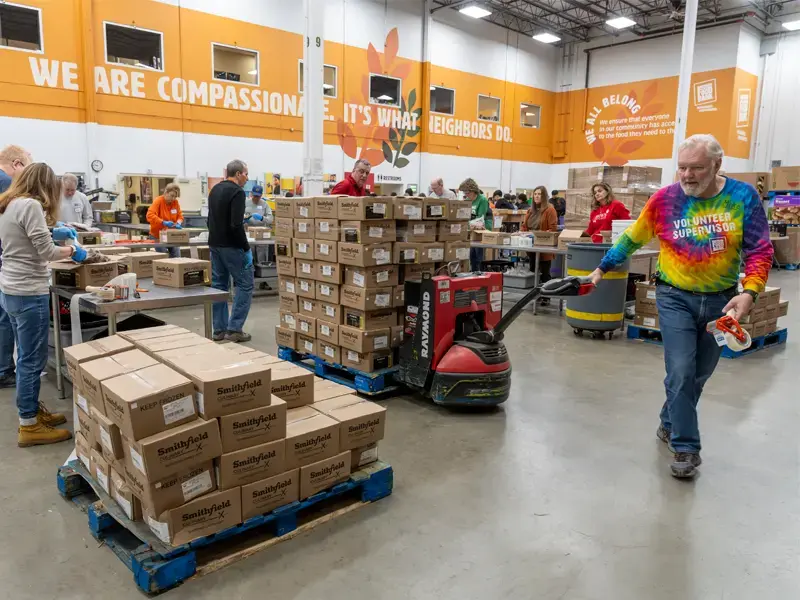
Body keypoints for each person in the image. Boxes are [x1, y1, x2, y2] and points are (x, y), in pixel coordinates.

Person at [587, 134, 773, 478]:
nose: (687, 175)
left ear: (717, 165)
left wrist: (750, 293)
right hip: (674, 298)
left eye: (696, 168)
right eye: (682, 167)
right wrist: (602, 268)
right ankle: (687, 447)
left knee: (698, 375)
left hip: (722, 302)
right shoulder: (665, 200)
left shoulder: (742, 197)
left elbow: (760, 251)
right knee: (682, 370)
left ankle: (668, 420)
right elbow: (633, 237)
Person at [0, 163, 89, 446]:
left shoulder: (11, 203)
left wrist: (54, 232)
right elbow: (47, 253)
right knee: (31, 360)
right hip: (28, 290)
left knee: (26, 356)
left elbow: (26, 240)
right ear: (47, 186)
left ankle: (32, 412)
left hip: (11, 288)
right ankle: (29, 425)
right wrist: (73, 250)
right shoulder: (31, 206)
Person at [208, 159, 254, 343]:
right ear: (238, 174)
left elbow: (209, 219)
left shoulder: (215, 190)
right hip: (232, 247)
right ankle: (235, 329)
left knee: (219, 285)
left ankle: (219, 330)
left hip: (215, 244)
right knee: (245, 284)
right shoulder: (237, 192)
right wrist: (246, 248)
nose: (247, 177)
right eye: (246, 174)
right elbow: (236, 225)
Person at [0, 145, 32, 389]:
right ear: (17, 164)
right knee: (4, 317)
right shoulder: (5, 183)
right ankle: (3, 371)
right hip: (8, 263)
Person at [521, 185, 558, 303]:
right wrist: (522, 233)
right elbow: (524, 226)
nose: (537, 196)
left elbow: (553, 228)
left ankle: (546, 296)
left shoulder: (550, 209)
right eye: (535, 194)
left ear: (544, 196)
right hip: (531, 246)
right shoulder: (530, 210)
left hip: (544, 246)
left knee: (544, 272)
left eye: (539, 194)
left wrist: (539, 235)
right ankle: (534, 295)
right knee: (533, 270)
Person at [459, 178, 491, 271]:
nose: (466, 195)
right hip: (471, 229)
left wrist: (467, 224)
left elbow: (480, 219)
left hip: (481, 230)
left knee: (478, 256)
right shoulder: (467, 200)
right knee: (471, 255)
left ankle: (480, 274)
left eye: (468, 193)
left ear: (473, 191)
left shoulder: (482, 200)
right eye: (465, 193)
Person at [147, 183, 184, 258]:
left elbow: (180, 215)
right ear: (166, 192)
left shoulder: (175, 203)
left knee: (177, 257)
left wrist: (178, 222)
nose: (173, 199)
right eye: (172, 196)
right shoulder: (158, 201)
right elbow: (150, 215)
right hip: (157, 236)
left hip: (171, 235)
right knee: (163, 258)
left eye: (175, 197)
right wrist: (163, 222)